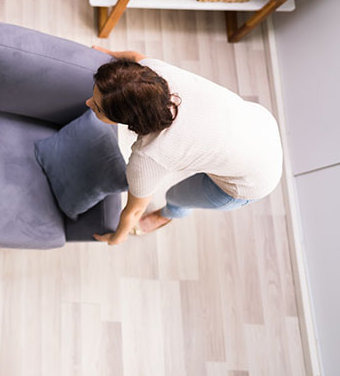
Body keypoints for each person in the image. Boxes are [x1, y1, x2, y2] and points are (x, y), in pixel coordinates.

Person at [88, 47, 282, 246]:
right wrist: (106, 52)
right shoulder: (150, 72)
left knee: (176, 196)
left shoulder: (148, 156)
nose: (88, 103)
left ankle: (167, 214)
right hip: (260, 123)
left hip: (253, 180)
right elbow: (135, 57)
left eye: (97, 107)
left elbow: (135, 210)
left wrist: (117, 237)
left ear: (128, 118)